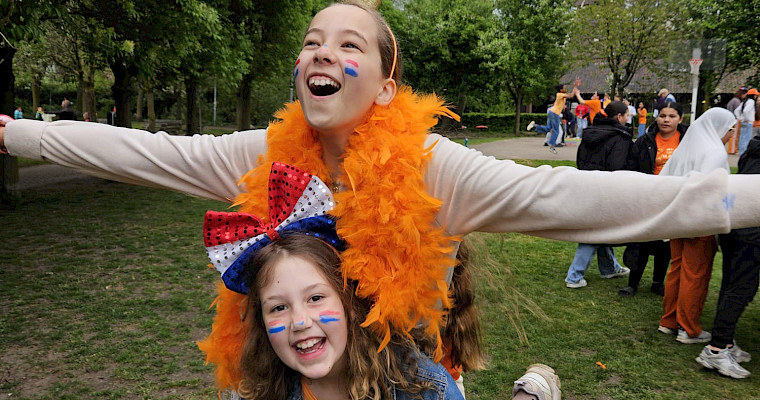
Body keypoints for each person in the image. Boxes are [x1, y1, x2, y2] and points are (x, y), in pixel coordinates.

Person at [4, 1, 760, 396]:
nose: (322, 51)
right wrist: (16, 134)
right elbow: (147, 153)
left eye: (349, 43)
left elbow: (583, 197)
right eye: (312, 40)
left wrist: (742, 200)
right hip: (291, 378)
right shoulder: (263, 154)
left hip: (407, 381)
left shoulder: (435, 170)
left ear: (386, 86)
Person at [656, 108, 736, 344]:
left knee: (677, 269)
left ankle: (669, 321)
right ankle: (688, 328)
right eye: (730, 129)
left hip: (678, 219)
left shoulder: (686, 148)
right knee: (695, 274)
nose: (731, 135)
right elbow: (714, 189)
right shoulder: (715, 152)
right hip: (700, 221)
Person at [695, 130, 760, 379]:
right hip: (750, 230)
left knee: (732, 285)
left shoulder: (753, 147)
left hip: (736, 224)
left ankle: (725, 342)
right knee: (741, 289)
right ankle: (716, 349)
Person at [619, 101, 689, 297]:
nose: (666, 120)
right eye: (662, 116)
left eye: (672, 116)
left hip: (674, 199)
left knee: (665, 245)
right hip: (648, 198)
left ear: (680, 119)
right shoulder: (645, 140)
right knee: (641, 240)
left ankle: (658, 283)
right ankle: (633, 283)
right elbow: (632, 167)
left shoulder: (688, 142)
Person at [565, 102, 632, 288]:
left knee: (600, 228)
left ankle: (609, 267)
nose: (628, 119)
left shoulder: (590, 133)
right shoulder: (620, 138)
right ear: (619, 117)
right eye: (627, 115)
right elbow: (617, 167)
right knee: (594, 232)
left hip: (587, 184)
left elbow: (580, 160)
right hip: (606, 188)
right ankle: (574, 276)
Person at [526, 81, 580, 153]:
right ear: (561, 90)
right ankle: (552, 146)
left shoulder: (560, 95)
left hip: (552, 112)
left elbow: (557, 103)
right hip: (555, 113)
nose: (565, 89)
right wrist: (575, 86)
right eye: (564, 88)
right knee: (556, 131)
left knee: (548, 129)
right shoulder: (560, 94)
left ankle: (534, 126)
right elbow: (571, 96)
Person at [735, 88, 757, 156]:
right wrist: (746, 118)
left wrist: (740, 118)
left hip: (743, 122)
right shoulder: (751, 102)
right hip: (748, 122)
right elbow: (746, 111)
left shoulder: (745, 101)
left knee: (742, 137)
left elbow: (736, 111)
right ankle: (744, 153)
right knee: (747, 138)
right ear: (753, 95)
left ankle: (741, 152)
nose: (756, 96)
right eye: (755, 95)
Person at [725, 87, 746, 155]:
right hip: (734, 120)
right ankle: (732, 150)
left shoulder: (733, 100)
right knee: (734, 136)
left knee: (732, 134)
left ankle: (732, 149)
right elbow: (738, 111)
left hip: (730, 119)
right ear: (742, 94)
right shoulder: (737, 101)